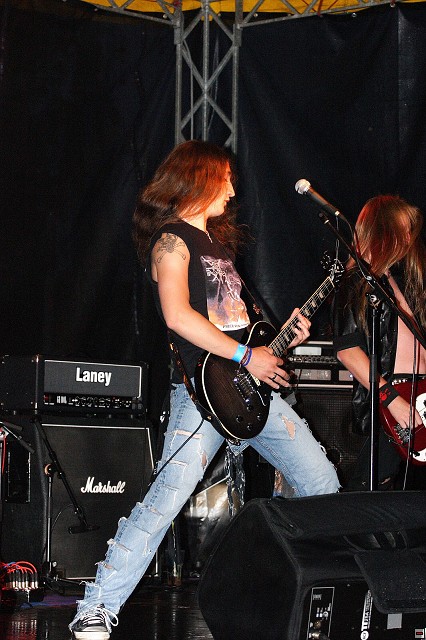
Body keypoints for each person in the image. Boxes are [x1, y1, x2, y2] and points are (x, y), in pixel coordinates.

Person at [69, 140, 340, 639]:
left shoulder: (219, 247)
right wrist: (247, 357)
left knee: (321, 482)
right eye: (226, 178)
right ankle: (96, 606)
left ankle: (304, 596)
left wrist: (281, 340)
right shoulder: (171, 241)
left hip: (252, 394)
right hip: (202, 396)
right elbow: (177, 316)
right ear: (199, 177)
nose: (233, 190)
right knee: (165, 501)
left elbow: (238, 328)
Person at [333, 194, 426, 490]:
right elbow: (348, 351)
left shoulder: (394, 282)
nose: (409, 238)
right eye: (403, 230)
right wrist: (391, 399)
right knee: (373, 491)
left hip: (419, 395)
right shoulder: (354, 282)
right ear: (385, 231)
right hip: (395, 398)